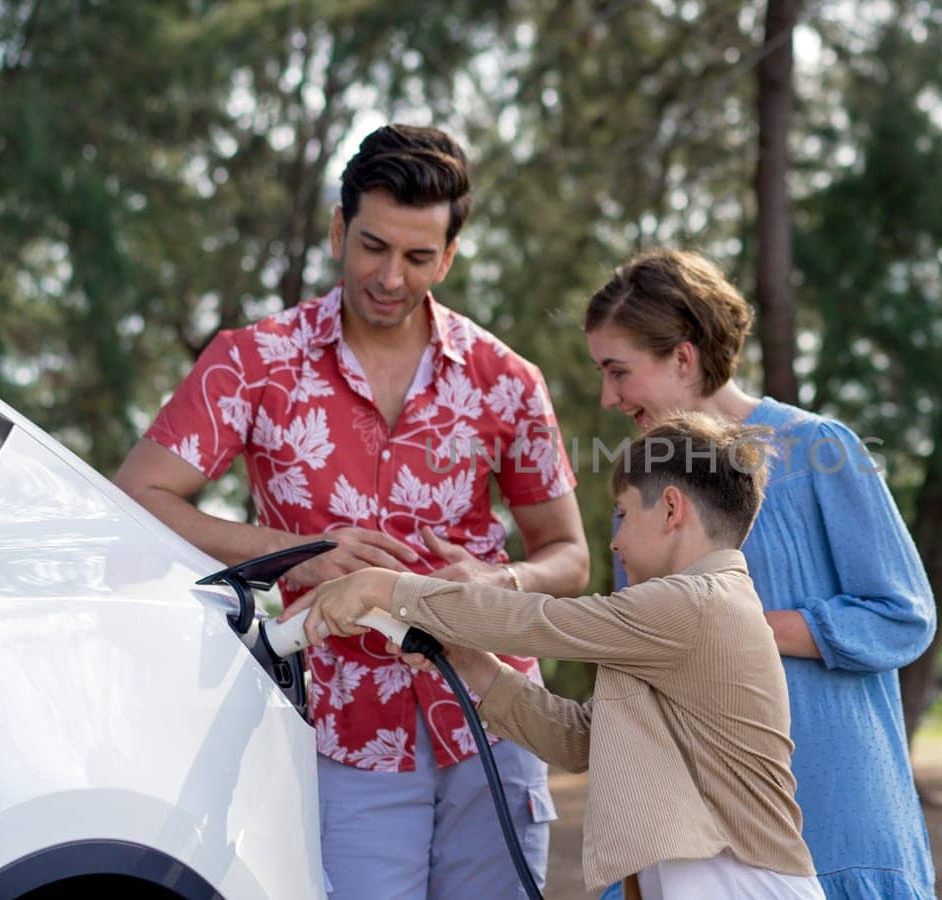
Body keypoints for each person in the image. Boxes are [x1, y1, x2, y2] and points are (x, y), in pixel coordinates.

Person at [113, 123, 590, 900]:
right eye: (373, 246)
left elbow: (570, 554)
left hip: (497, 722)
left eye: (418, 257)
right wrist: (294, 552)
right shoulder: (252, 360)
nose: (391, 277)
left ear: (451, 255)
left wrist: (502, 584)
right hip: (342, 737)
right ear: (339, 229)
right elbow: (138, 496)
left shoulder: (508, 380)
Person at [303, 413, 826, 900]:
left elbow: (538, 621)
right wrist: (471, 661)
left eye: (622, 515)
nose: (615, 542)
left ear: (671, 508)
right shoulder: (673, 621)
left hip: (743, 884)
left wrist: (386, 587)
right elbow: (581, 742)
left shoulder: (695, 603)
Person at [582, 249, 938, 899]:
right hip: (698, 843)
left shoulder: (820, 450)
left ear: (683, 359)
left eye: (619, 372)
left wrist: (737, 629)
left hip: (833, 817)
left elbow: (902, 616)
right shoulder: (640, 486)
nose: (608, 397)